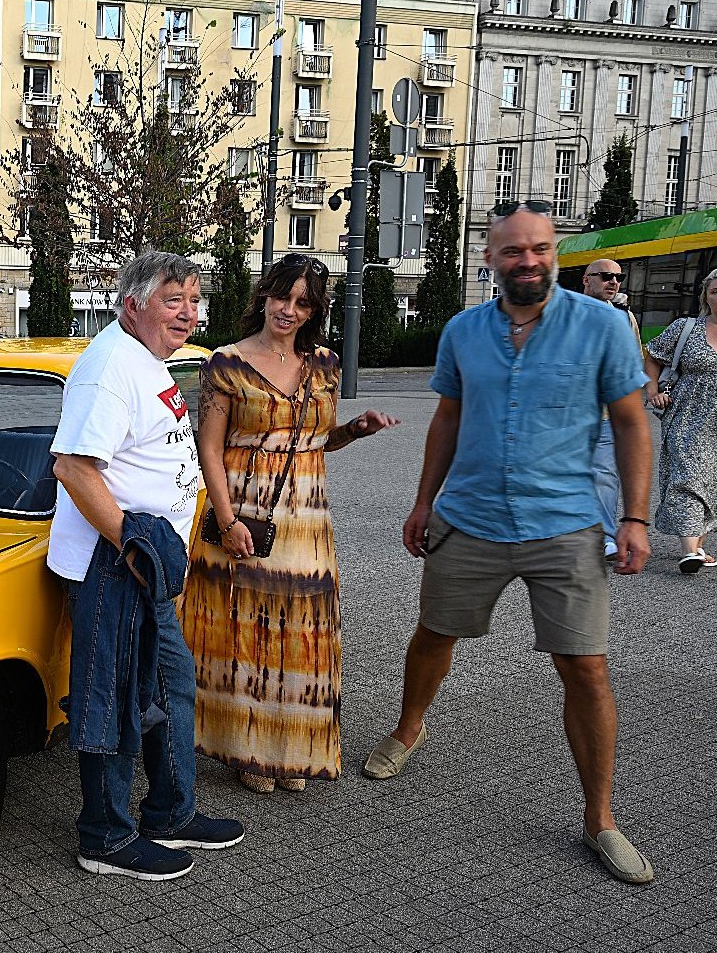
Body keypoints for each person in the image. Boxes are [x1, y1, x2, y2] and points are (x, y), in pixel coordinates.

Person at [364, 203, 654, 885]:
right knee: (434, 634)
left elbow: (632, 425)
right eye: (513, 251)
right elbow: (448, 416)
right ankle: (409, 727)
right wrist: (423, 499)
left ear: (556, 252)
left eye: (540, 248)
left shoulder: (604, 327)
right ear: (490, 258)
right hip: (470, 519)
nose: (528, 260)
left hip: (566, 523)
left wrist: (635, 518)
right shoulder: (465, 331)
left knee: (585, 669)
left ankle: (601, 819)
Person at [48, 250, 245, 883]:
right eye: (172, 300)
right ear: (133, 302)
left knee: (166, 688)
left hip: (144, 569)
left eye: (193, 300)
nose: (188, 314)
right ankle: (103, 836)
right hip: (115, 570)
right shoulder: (109, 367)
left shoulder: (144, 361)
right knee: (112, 698)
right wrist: (132, 543)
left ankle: (170, 810)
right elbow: (74, 467)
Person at [181, 253, 399, 794]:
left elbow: (316, 442)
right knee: (244, 631)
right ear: (265, 295)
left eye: (303, 302)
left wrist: (354, 430)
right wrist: (227, 518)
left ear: (314, 311)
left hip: (306, 520)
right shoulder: (225, 363)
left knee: (301, 631)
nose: (289, 309)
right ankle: (247, 748)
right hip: (243, 514)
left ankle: (288, 743)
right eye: (283, 295)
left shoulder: (324, 364)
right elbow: (208, 448)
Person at [644, 266, 717, 573]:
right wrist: (653, 391)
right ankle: (690, 550)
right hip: (688, 416)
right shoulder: (686, 328)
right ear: (705, 296)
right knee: (689, 475)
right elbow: (653, 356)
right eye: (716, 290)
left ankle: (696, 544)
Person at [579, 260, 646, 558]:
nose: (613, 282)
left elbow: (632, 363)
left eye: (618, 277)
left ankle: (604, 537)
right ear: (586, 279)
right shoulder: (566, 312)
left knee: (604, 474)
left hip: (605, 413)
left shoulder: (624, 316)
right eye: (606, 276)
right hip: (568, 413)